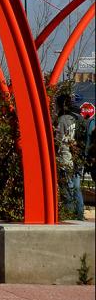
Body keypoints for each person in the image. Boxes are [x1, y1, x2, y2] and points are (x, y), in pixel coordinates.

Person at [55, 91, 85, 220]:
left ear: (61, 105)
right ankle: (79, 215)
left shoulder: (62, 120)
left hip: (65, 158)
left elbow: (58, 141)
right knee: (77, 188)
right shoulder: (79, 118)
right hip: (79, 159)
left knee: (67, 190)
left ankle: (69, 216)